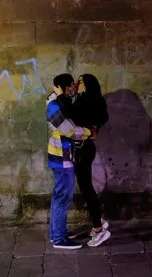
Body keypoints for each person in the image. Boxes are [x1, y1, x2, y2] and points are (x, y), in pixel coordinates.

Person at [59, 74, 111, 247]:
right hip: (86, 147)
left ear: (86, 84)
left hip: (83, 149)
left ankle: (98, 229)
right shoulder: (94, 98)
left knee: (87, 189)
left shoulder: (86, 99)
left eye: (79, 81)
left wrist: (61, 96)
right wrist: (95, 127)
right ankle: (99, 223)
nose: (76, 84)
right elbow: (104, 117)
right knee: (87, 188)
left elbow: (70, 114)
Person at [46, 73, 92, 249]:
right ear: (64, 87)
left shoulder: (60, 103)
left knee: (60, 196)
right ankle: (58, 239)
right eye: (72, 85)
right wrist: (89, 133)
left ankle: (56, 233)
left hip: (62, 156)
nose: (74, 88)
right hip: (62, 157)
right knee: (63, 196)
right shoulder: (54, 106)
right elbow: (70, 131)